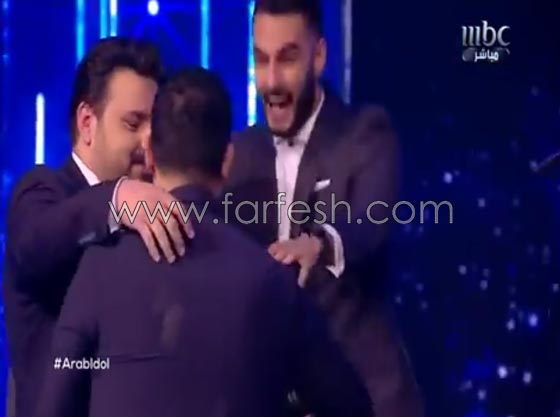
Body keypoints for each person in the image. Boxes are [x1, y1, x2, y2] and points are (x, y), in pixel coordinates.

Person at [34, 67, 373, 417]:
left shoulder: (99, 268)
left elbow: (56, 401)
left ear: (149, 152)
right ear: (227, 161)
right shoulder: (271, 281)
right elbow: (352, 407)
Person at [225, 1, 424, 416]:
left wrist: (318, 244)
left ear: (318, 57)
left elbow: (368, 225)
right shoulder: (238, 154)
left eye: (287, 59)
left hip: (364, 396)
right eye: (261, 60)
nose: (271, 80)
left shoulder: (365, 134)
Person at [3, 37, 190, 417]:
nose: (148, 141)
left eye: (154, 126)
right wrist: (116, 198)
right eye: (133, 123)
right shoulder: (42, 191)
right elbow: (35, 244)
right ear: (87, 122)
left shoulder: (154, 208)